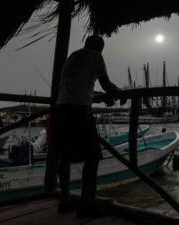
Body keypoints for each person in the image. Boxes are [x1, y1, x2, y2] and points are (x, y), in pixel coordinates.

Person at [53, 34, 125, 217]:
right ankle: (86, 205)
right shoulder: (96, 56)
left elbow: (78, 85)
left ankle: (65, 200)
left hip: (61, 109)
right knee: (92, 157)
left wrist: (99, 95)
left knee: (64, 156)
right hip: (79, 111)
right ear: (100, 48)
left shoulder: (73, 56)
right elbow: (107, 84)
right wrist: (121, 93)